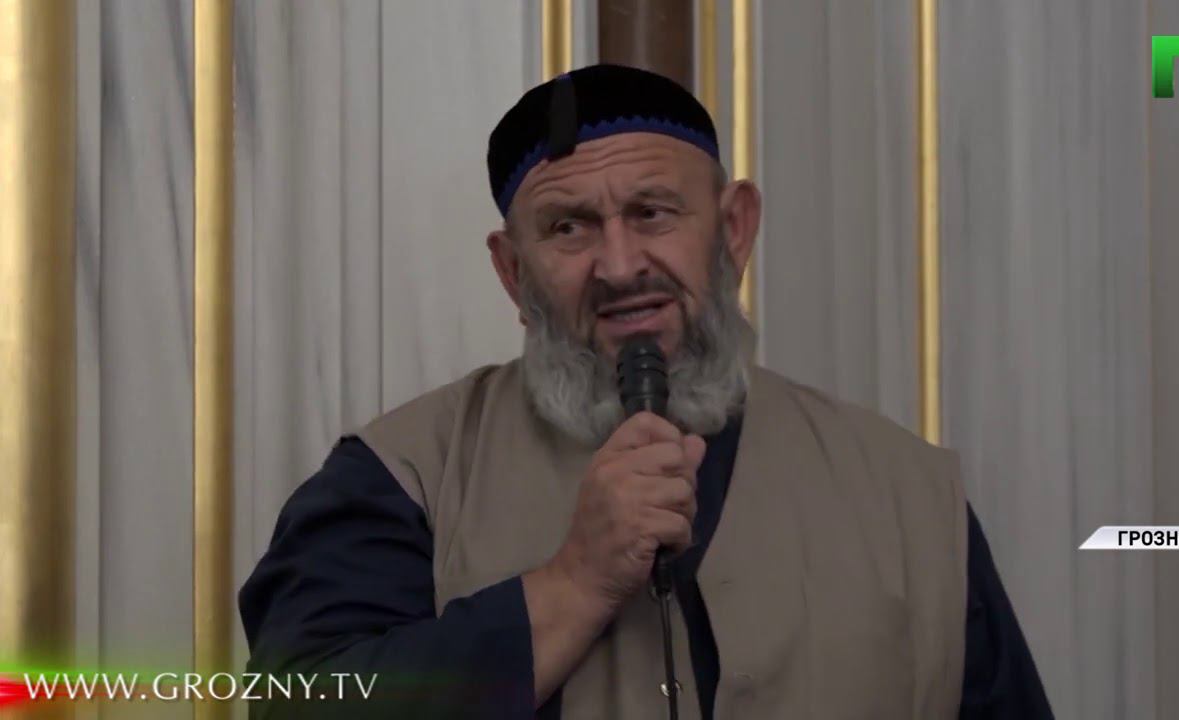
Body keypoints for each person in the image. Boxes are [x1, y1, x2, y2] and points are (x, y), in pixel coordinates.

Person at [239, 64, 1053, 719]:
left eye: (654, 213)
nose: (621, 265)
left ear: (733, 230)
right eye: (569, 227)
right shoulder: (402, 476)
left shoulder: (908, 495)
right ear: (513, 272)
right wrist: (573, 584)